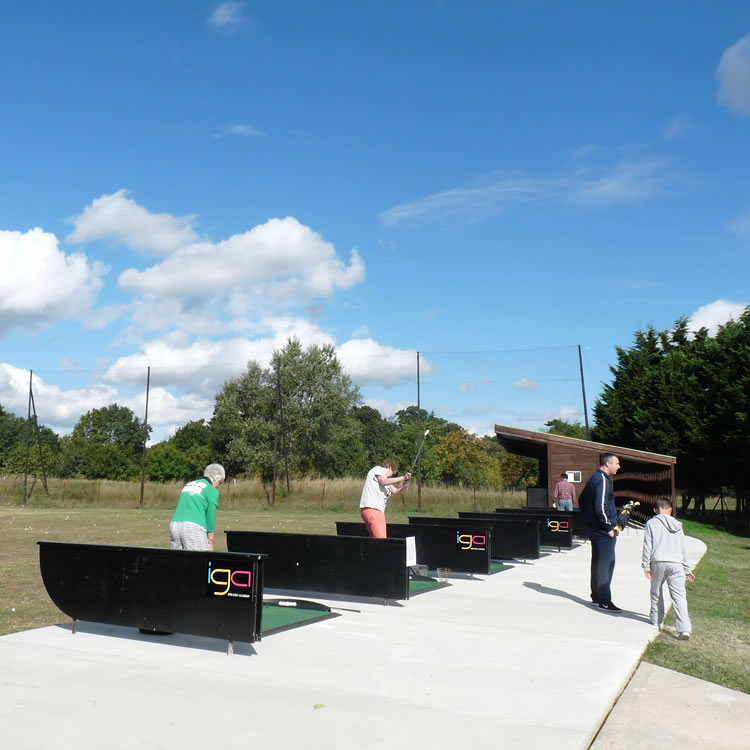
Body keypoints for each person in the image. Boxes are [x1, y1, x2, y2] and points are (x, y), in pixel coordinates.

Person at [642, 497, 695, 639]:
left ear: (655, 510)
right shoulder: (678, 525)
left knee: (656, 592)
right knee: (679, 596)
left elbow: (648, 546)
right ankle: (684, 629)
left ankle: (656, 619)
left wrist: (646, 565)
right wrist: (687, 569)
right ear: (670, 510)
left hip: (658, 562)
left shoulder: (651, 523)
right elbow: (683, 548)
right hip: (676, 563)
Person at [580, 453, 621, 612]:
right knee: (605, 565)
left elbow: (582, 500)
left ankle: (596, 597)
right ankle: (604, 600)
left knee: (597, 563)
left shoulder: (593, 478)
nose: (619, 466)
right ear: (608, 464)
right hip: (603, 532)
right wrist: (608, 528)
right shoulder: (602, 480)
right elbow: (600, 508)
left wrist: (590, 520)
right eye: (617, 463)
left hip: (595, 529)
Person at [169, 464, 225, 551]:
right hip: (193, 527)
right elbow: (210, 516)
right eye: (220, 483)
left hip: (175, 525)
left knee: (178, 560)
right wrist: (210, 541)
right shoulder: (212, 490)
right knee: (198, 561)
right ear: (217, 479)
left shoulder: (189, 485)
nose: (218, 485)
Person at [359, 459, 411, 538]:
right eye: (392, 473)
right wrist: (403, 477)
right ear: (390, 468)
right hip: (374, 510)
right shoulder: (378, 469)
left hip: (373, 511)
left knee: (374, 540)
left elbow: (395, 491)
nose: (391, 475)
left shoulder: (385, 480)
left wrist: (403, 487)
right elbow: (384, 481)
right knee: (382, 541)